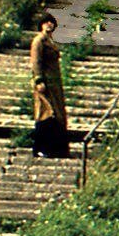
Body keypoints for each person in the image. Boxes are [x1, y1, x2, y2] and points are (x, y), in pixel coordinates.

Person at [30, 12, 70, 158]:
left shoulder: (50, 40)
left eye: (51, 22)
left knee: (57, 115)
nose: (49, 24)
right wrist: (39, 80)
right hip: (45, 83)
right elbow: (36, 62)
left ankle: (56, 149)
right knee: (46, 114)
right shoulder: (39, 41)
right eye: (46, 22)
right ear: (41, 24)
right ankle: (40, 148)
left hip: (54, 84)